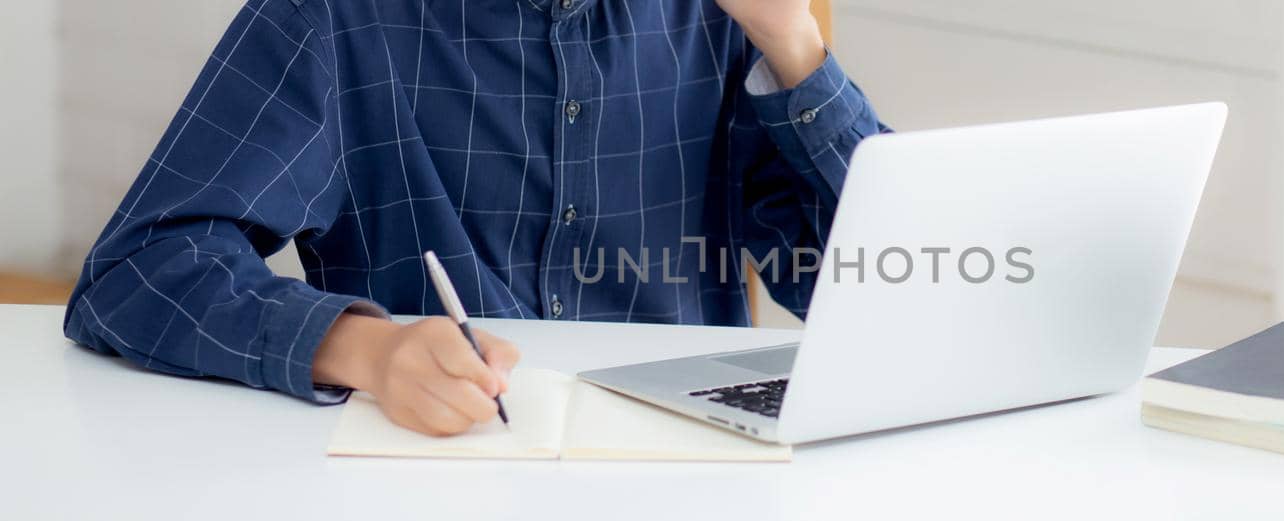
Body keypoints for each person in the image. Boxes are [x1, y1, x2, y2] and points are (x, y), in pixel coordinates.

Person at [64, 0, 887, 436]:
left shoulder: (725, 20)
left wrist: (794, 44)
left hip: (690, 472)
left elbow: (877, 286)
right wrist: (365, 349)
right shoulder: (335, 18)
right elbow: (138, 272)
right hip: (434, 469)